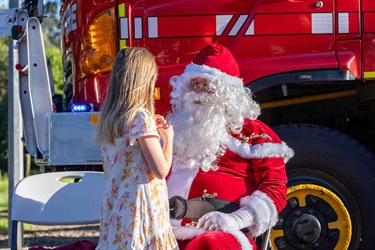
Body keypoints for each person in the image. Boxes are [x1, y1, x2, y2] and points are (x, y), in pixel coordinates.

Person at [166, 43, 294, 249]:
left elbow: (275, 189)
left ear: (227, 92)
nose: (199, 92)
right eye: (194, 84)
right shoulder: (172, 129)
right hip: (164, 233)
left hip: (221, 234)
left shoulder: (254, 134)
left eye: (207, 85)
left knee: (209, 244)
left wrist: (235, 220)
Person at [94, 47, 178, 250]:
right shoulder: (141, 117)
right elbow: (160, 170)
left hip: (117, 211)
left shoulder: (109, 118)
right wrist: (168, 139)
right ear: (143, 81)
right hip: (141, 211)